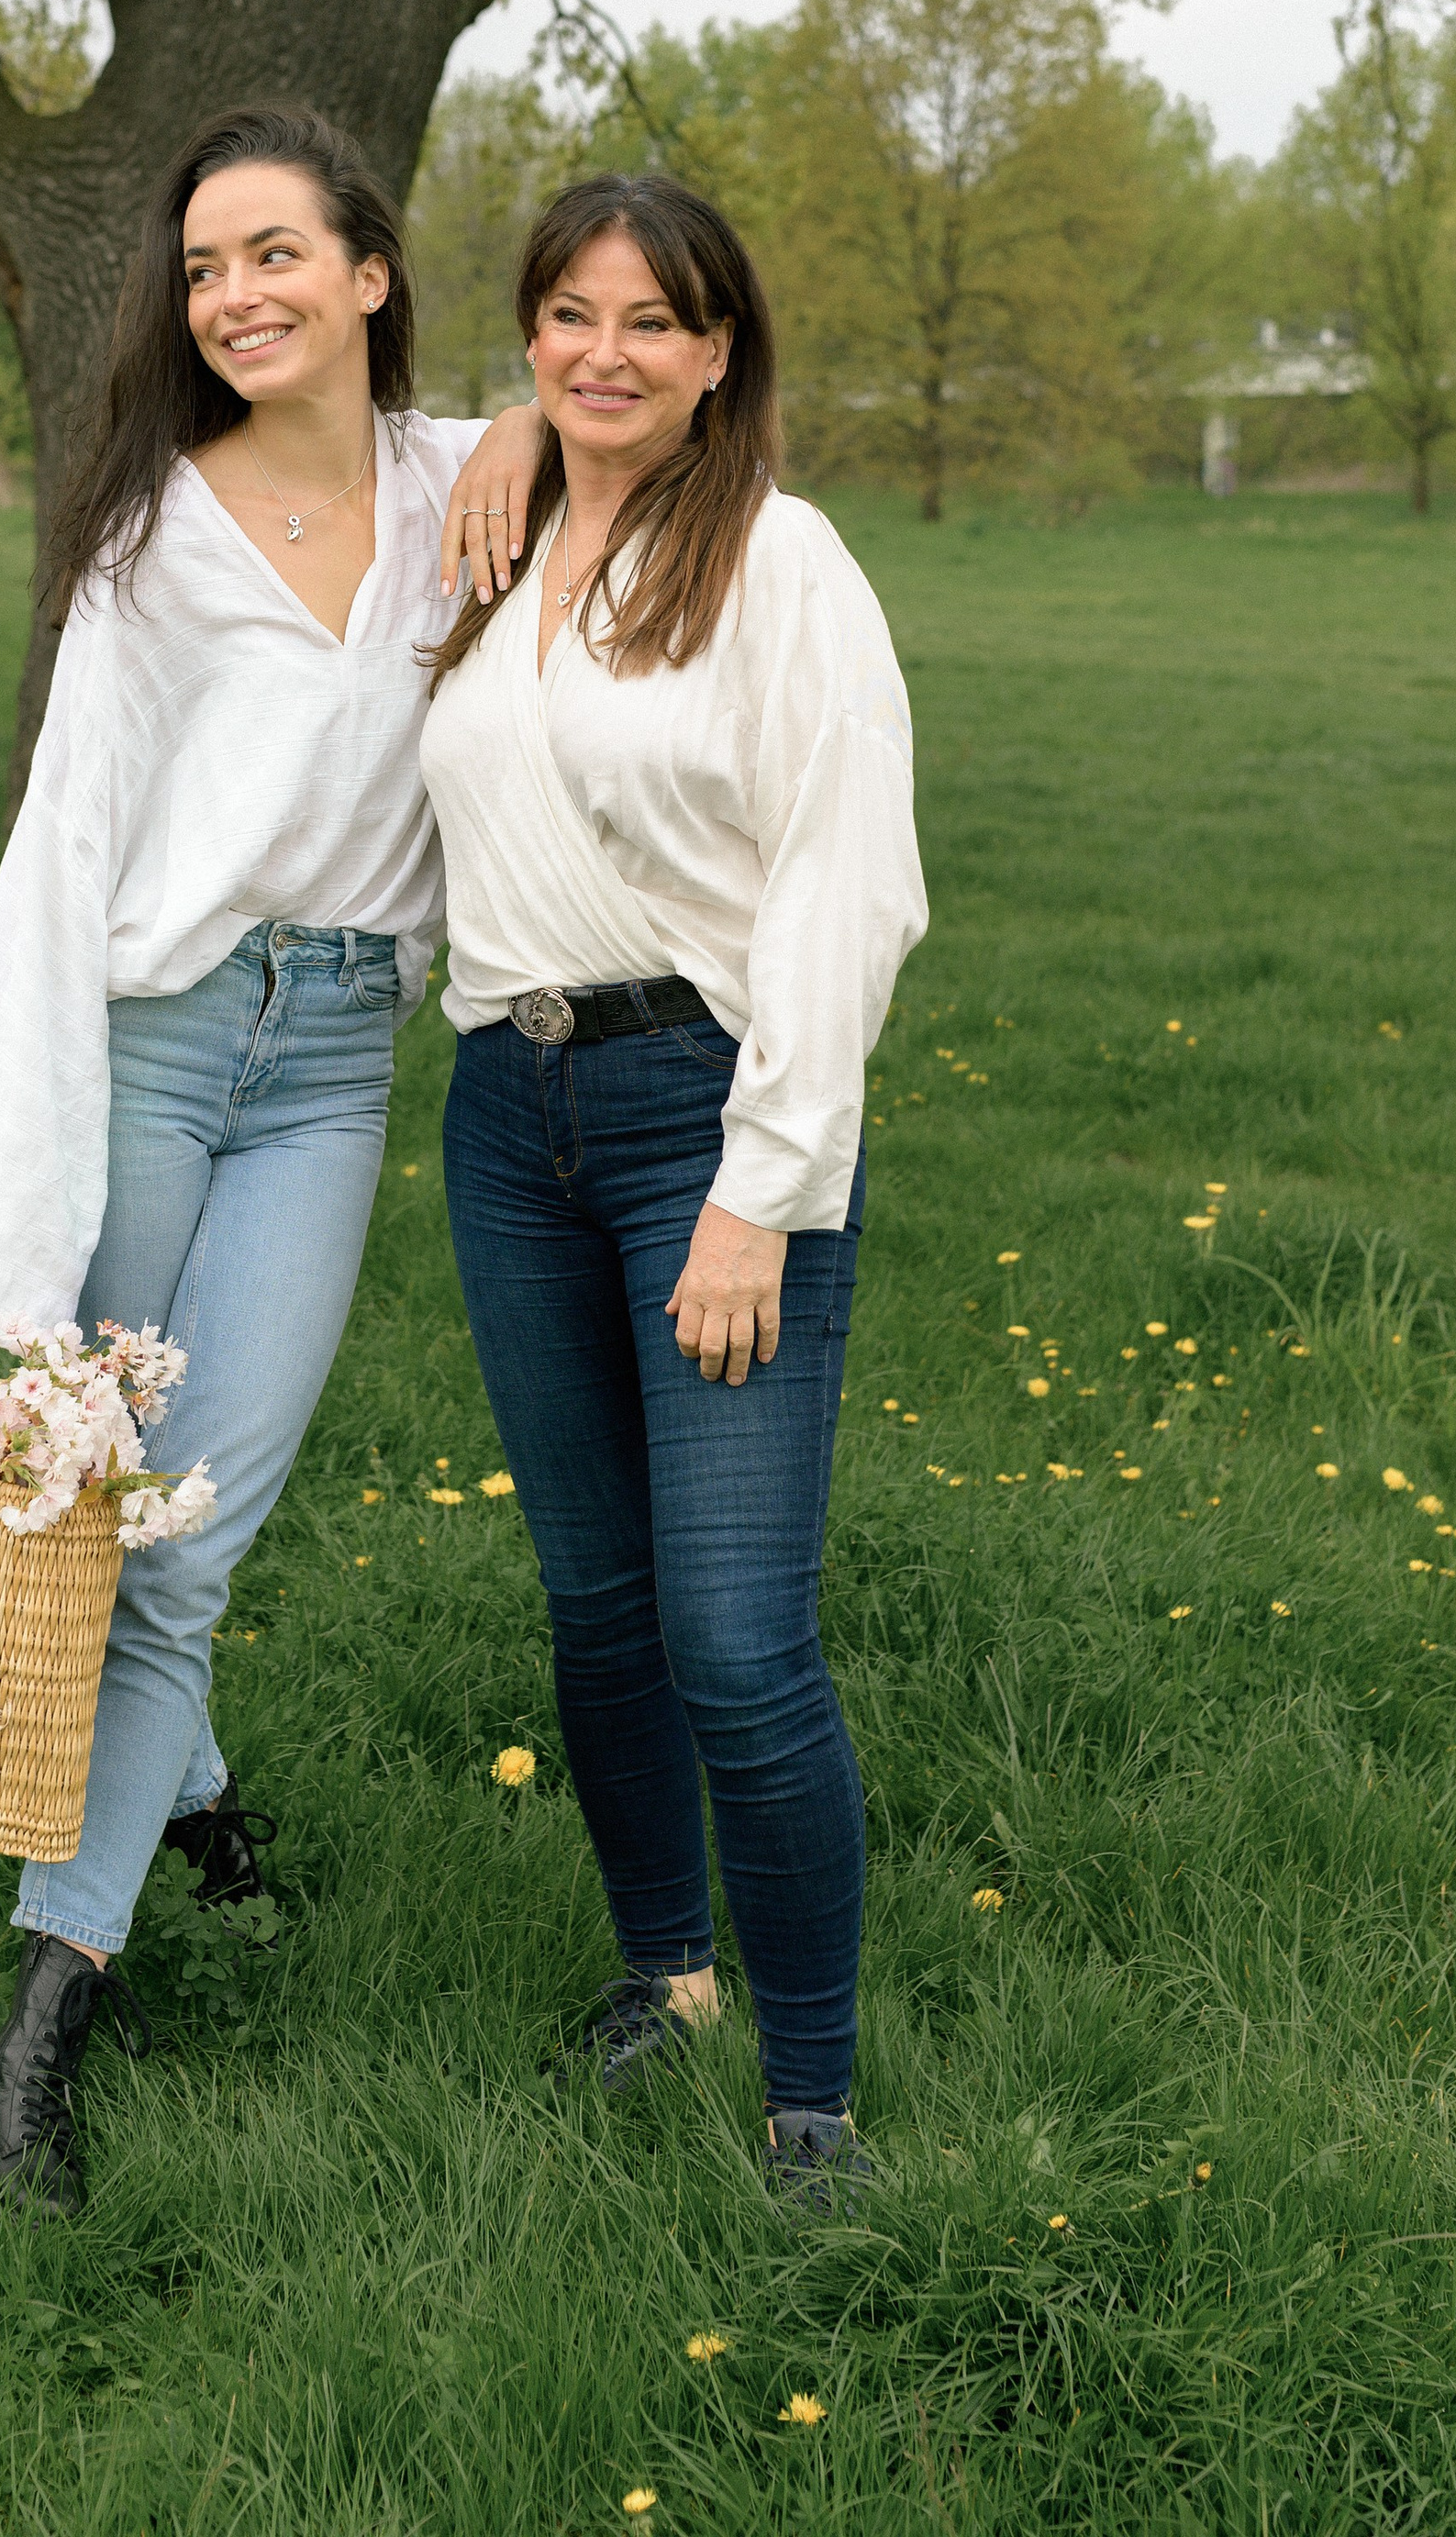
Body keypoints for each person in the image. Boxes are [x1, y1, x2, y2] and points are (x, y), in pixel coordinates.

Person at [0, 105, 540, 2217]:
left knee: (186, 1533)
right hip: (153, 1047)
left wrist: (531, 419)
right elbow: (61, 853)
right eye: (201, 268)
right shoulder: (152, 534)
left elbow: (658, 421)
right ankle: (45, 2038)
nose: (233, 294)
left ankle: (82, 1948)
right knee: (102, 1510)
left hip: (334, 1065)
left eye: (274, 253)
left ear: (367, 271)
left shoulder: (460, 486)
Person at [420, 172, 927, 2210]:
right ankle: (666, 1975)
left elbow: (847, 883)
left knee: (732, 1634)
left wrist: (760, 1190)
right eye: (569, 315)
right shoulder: (490, 537)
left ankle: (814, 2108)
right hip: (504, 1117)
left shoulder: (782, 562)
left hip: (703, 1120)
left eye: (651, 320)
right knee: (598, 1605)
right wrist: (511, 434)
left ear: (720, 352)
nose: (604, 352)